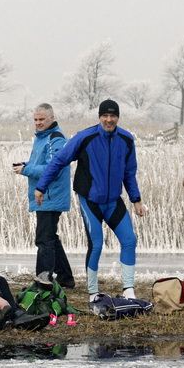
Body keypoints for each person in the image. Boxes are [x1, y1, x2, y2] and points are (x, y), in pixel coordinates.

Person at [34, 99, 147, 299]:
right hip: (90, 200)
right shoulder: (85, 137)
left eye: (113, 116)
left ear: (118, 117)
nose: (109, 120)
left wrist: (136, 199)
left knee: (129, 240)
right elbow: (59, 161)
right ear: (99, 117)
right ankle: (93, 292)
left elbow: (129, 173)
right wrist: (41, 186)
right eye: (105, 116)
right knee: (96, 244)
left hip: (113, 201)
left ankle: (128, 290)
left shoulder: (126, 140)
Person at [14, 103, 75, 287]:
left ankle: (44, 280)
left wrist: (26, 169)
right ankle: (65, 277)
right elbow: (41, 163)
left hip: (51, 196)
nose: (38, 123)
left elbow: (52, 169)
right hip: (45, 195)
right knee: (50, 237)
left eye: (42, 119)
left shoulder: (56, 138)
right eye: (35, 119)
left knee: (44, 239)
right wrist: (25, 164)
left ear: (52, 118)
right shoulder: (41, 138)